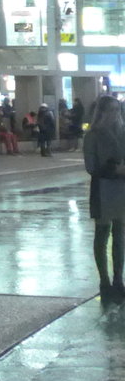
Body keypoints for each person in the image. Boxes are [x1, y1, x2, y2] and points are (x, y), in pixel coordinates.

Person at [83, 95, 125, 303]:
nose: (114, 114)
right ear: (101, 112)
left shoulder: (123, 132)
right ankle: (104, 281)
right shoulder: (93, 135)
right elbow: (91, 166)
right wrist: (114, 169)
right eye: (110, 110)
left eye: (117, 110)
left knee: (120, 235)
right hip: (103, 188)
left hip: (122, 189)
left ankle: (119, 279)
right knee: (102, 234)